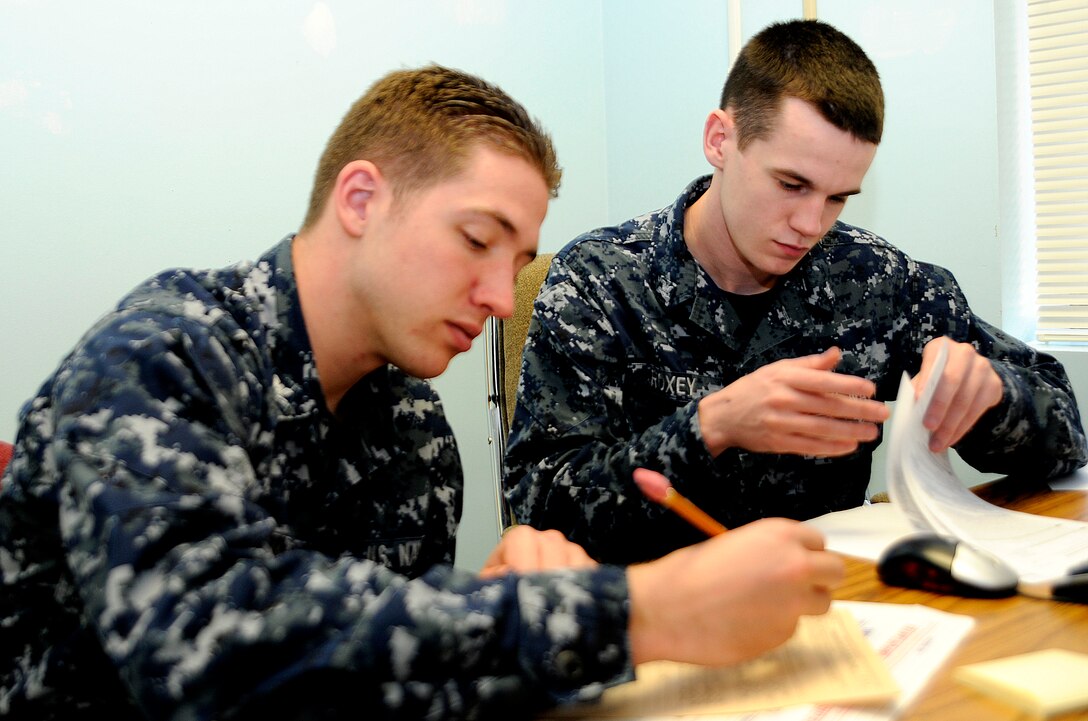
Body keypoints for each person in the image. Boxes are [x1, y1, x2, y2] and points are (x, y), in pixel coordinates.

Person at [0, 64, 845, 721]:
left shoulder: (413, 425)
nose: (499, 296)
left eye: (516, 263)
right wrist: (637, 611)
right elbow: (208, 667)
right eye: (477, 240)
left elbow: (368, 675)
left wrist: (499, 601)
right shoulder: (163, 358)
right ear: (361, 198)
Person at [504, 19, 1088, 565]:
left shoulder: (877, 280)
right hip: (655, 623)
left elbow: (1067, 435)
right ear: (719, 140)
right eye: (792, 184)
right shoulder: (602, 281)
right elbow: (537, 508)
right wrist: (711, 426)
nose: (812, 223)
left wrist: (993, 400)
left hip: (831, 609)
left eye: (838, 198)